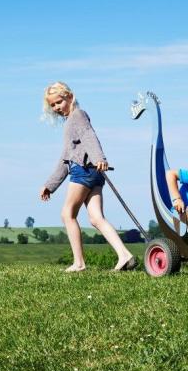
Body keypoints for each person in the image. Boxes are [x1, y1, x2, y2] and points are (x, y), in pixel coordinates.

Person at [39, 81, 135, 272]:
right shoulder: (71, 121)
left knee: (67, 214)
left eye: (59, 102)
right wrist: (51, 184)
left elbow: (89, 136)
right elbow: (65, 158)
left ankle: (79, 263)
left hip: (83, 170)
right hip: (94, 173)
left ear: (70, 97)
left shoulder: (77, 116)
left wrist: (100, 157)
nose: (57, 108)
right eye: (52, 105)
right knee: (96, 218)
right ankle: (125, 255)